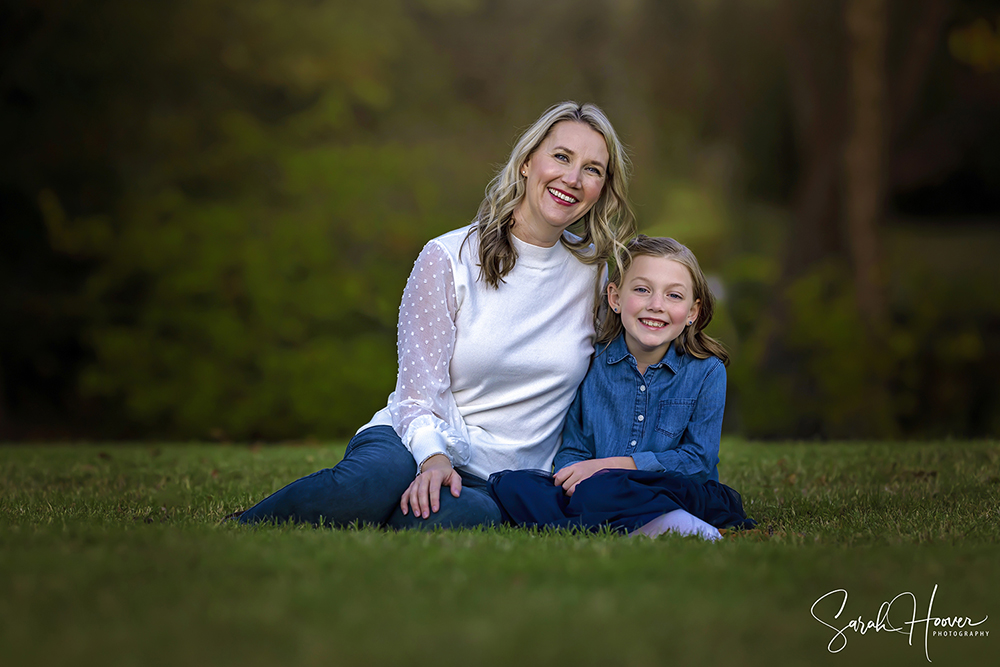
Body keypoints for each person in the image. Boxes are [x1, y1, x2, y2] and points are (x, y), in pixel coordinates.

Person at [231, 101, 636, 529]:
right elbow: (415, 395)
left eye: (592, 169)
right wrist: (434, 459)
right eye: (561, 157)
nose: (572, 179)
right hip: (415, 440)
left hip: (498, 478)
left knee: (465, 517)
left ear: (603, 188)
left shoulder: (593, 272)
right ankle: (244, 526)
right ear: (526, 163)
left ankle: (378, 515)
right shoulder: (447, 257)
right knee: (373, 479)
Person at [489, 236, 754, 539]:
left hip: (672, 487)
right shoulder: (590, 361)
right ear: (615, 298)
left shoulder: (707, 371)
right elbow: (575, 446)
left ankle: (669, 522)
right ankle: (642, 525)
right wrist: (574, 474)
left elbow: (697, 459)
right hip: (597, 488)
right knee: (515, 486)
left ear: (693, 312)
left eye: (674, 296)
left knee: (619, 488)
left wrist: (612, 467)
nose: (656, 306)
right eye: (642, 290)